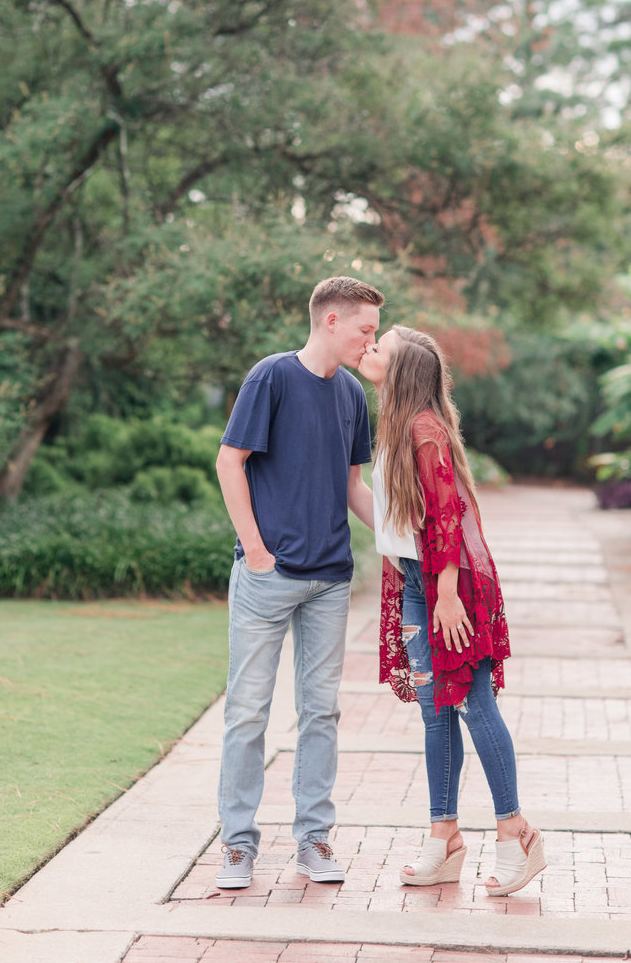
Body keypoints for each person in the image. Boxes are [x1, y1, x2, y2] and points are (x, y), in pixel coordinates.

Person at [357, 325, 546, 896]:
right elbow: (400, 520)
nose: (369, 350)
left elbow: (446, 515)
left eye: (378, 346)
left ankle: (518, 835)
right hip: (421, 583)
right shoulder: (397, 424)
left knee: (472, 704)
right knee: (436, 711)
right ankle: (445, 839)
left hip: (448, 588)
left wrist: (443, 593)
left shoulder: (424, 428)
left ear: (402, 368)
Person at [213, 276, 384, 889]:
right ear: (331, 321)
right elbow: (229, 460)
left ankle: (313, 840)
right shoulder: (272, 377)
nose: (372, 341)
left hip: (330, 581)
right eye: (366, 329)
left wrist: (399, 546)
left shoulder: (353, 397)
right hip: (268, 578)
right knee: (248, 713)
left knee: (321, 714)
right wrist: (256, 550)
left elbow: (352, 487)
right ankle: (236, 845)